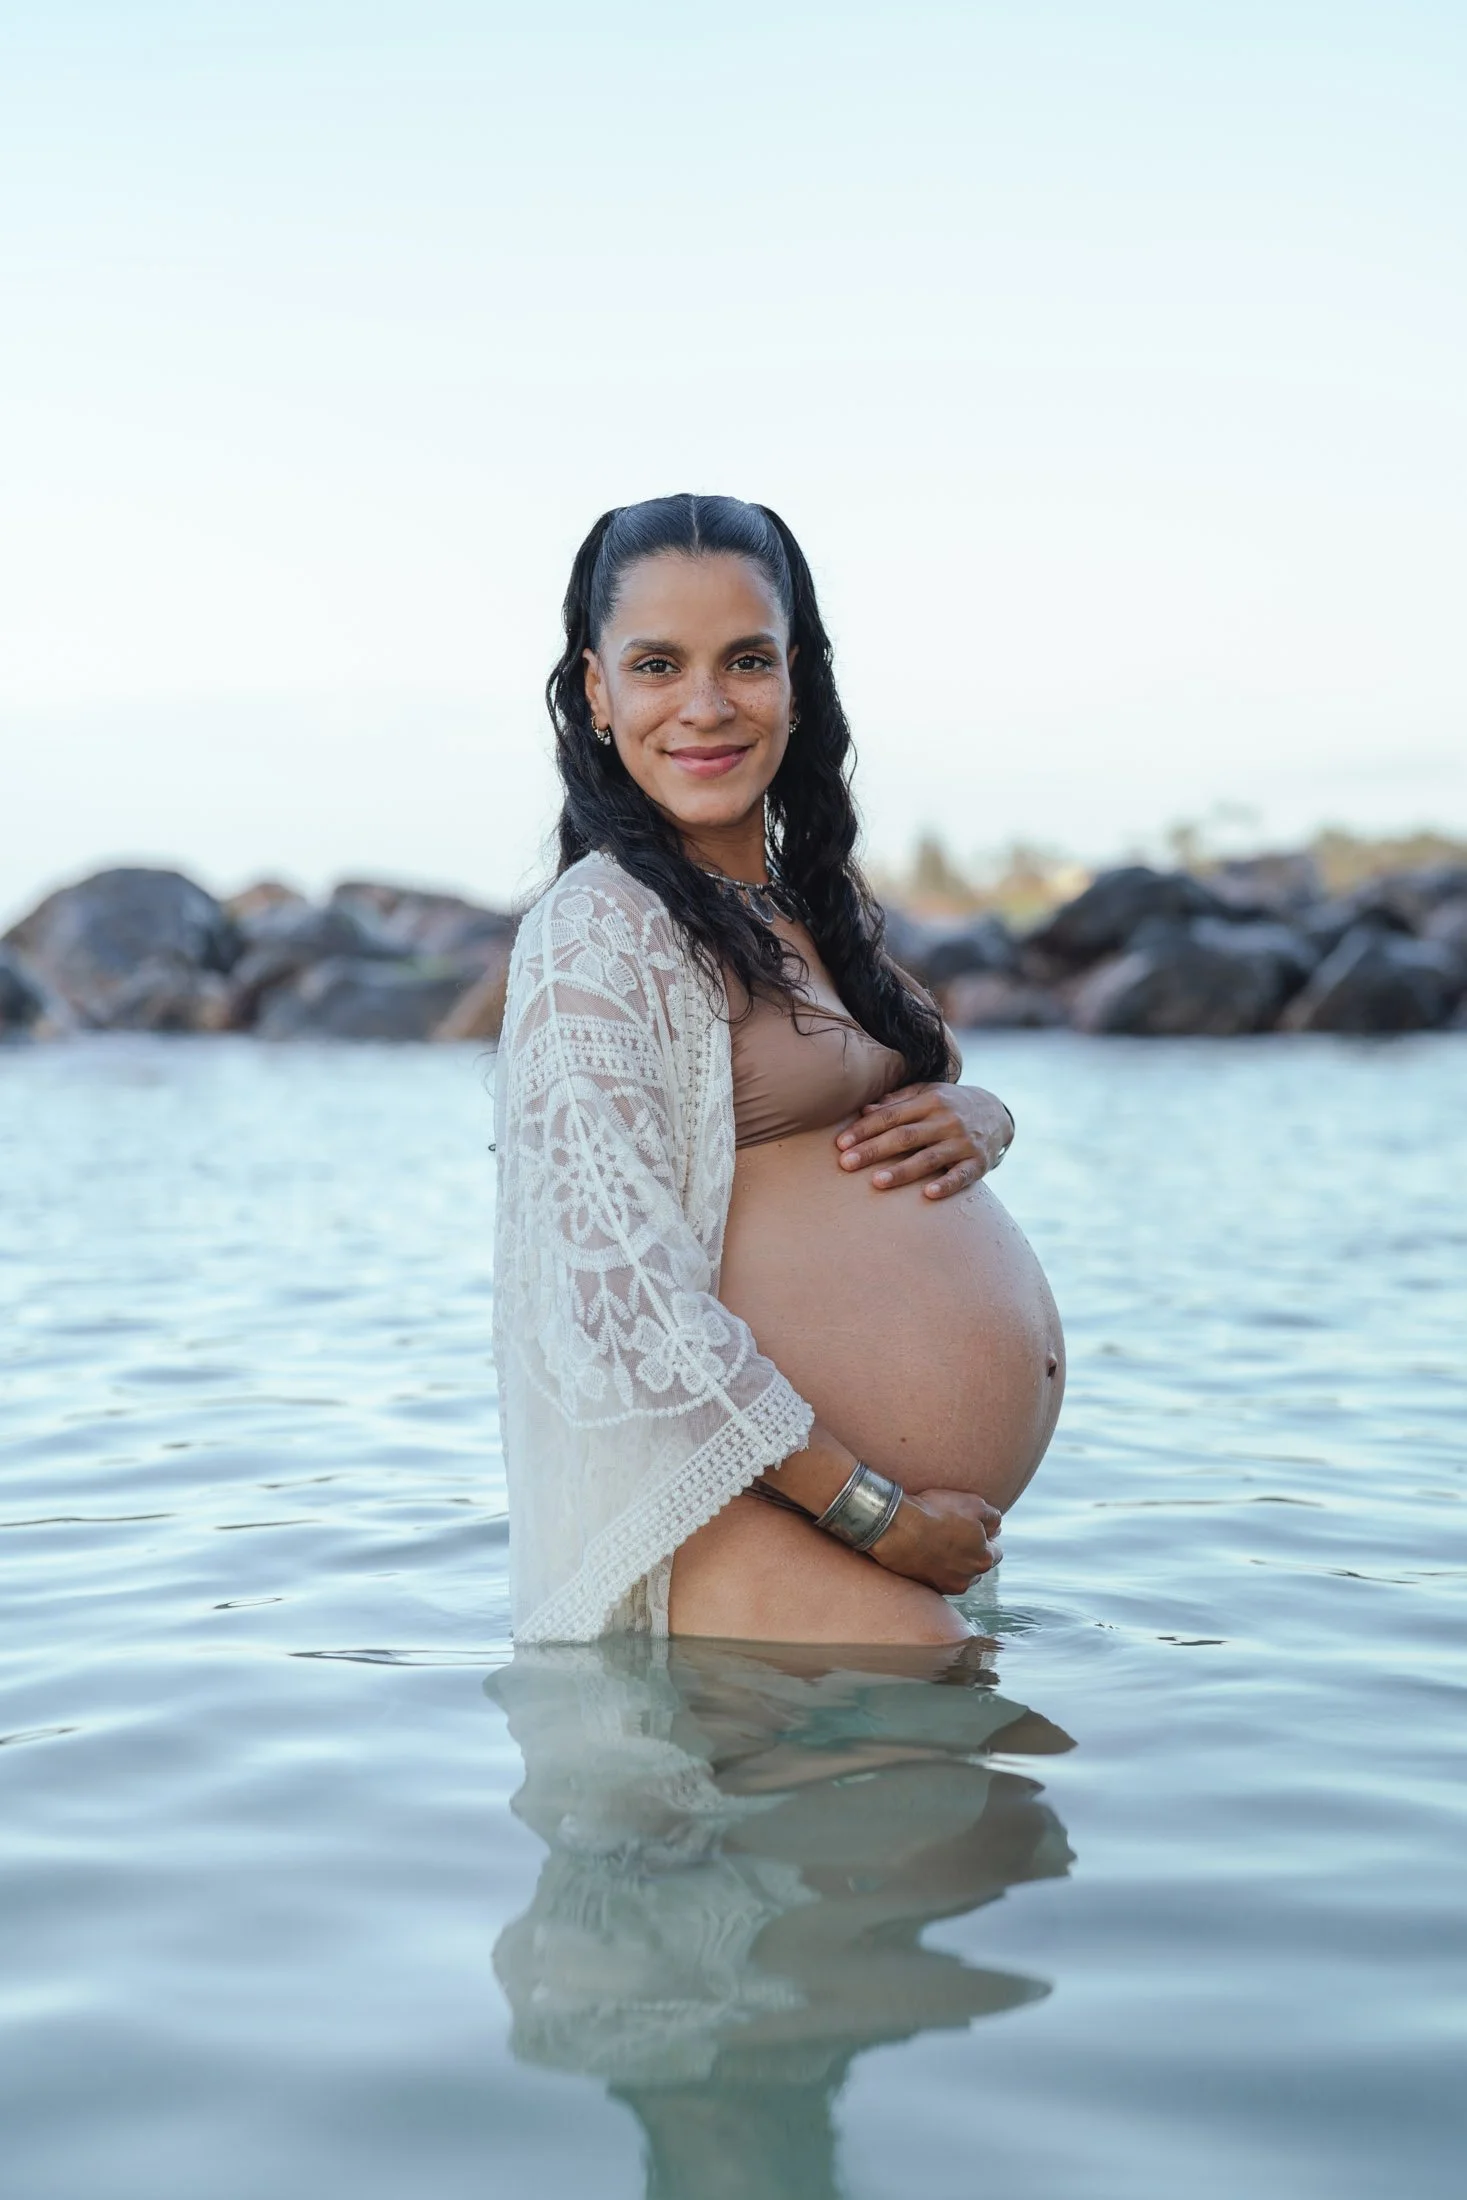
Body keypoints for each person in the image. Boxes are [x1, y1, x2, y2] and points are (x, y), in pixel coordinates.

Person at [493, 495, 1064, 1646]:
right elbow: (627, 1305)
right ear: (598, 693)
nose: (706, 706)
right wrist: (876, 1515)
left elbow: (914, 1087)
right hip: (751, 1525)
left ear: (796, 680)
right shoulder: (598, 929)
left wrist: (984, 1114)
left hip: (867, 1539)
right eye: (659, 664)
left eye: (746, 660)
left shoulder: (808, 904)